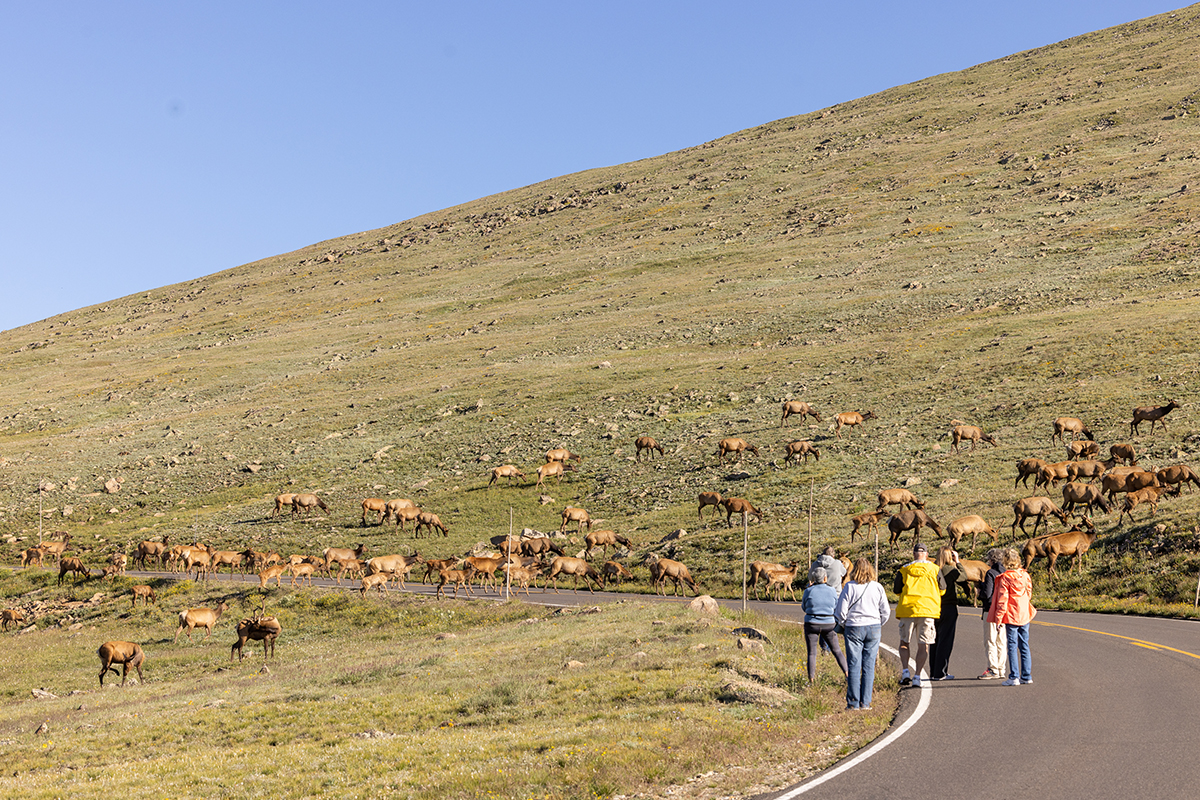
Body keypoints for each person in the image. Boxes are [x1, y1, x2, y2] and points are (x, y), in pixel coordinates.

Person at [835, 558, 891, 710]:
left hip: (854, 626)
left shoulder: (849, 587)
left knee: (854, 664)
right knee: (869, 665)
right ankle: (865, 703)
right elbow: (885, 611)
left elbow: (841, 611)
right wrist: (879, 623)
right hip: (873, 626)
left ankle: (853, 702)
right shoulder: (878, 587)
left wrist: (844, 623)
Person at [893, 542, 946, 688]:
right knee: (924, 646)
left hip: (907, 610)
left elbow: (897, 590)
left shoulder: (904, 569)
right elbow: (943, 590)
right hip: (927, 611)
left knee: (904, 642)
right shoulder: (935, 569)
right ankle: (917, 676)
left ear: (914, 554)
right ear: (927, 555)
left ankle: (905, 671)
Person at [988, 547, 1035, 685]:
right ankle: (1026, 675)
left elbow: (1003, 600)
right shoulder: (1025, 575)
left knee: (1012, 645)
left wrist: (998, 618)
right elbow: (1029, 592)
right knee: (1024, 645)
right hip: (1024, 613)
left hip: (1011, 614)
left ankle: (1014, 676)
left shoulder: (1005, 578)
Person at [802, 566, 848, 684]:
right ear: (825, 578)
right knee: (837, 650)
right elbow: (836, 606)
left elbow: (804, 607)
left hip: (811, 623)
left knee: (812, 653)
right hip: (829, 623)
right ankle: (847, 674)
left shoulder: (808, 591)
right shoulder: (832, 590)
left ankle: (811, 680)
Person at [929, 546, 963, 681]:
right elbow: (963, 577)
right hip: (948, 606)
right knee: (945, 640)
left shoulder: (932, 569)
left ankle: (933, 671)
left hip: (934, 607)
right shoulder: (950, 570)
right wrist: (958, 561)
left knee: (934, 640)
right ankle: (941, 672)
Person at [977, 548, 1009, 680]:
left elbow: (988, 594)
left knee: (990, 640)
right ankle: (1001, 669)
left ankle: (992, 668)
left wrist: (980, 591)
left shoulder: (991, 573)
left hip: (990, 610)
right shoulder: (1006, 572)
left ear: (991, 560)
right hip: (1003, 610)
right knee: (1001, 641)